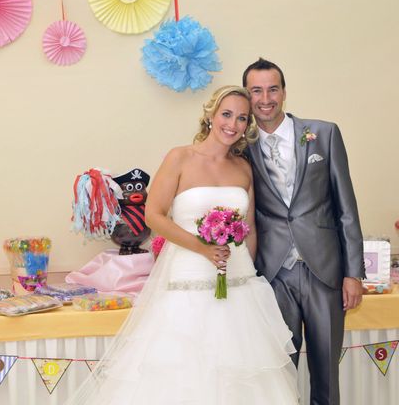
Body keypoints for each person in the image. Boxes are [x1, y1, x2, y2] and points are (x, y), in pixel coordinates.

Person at [66, 86, 299, 405]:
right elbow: (154, 215)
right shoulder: (179, 157)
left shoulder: (244, 167)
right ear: (211, 115)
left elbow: (251, 229)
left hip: (239, 285)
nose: (233, 124)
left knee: (243, 376)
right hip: (188, 282)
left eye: (242, 118)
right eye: (226, 114)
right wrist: (202, 249)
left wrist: (248, 273)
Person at [242, 58, 365, 405]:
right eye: (256, 91)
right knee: (279, 372)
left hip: (325, 272)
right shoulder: (240, 147)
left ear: (283, 91)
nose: (266, 98)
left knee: (327, 373)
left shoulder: (323, 133)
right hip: (272, 274)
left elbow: (347, 208)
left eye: (273, 89)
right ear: (248, 96)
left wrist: (353, 274)